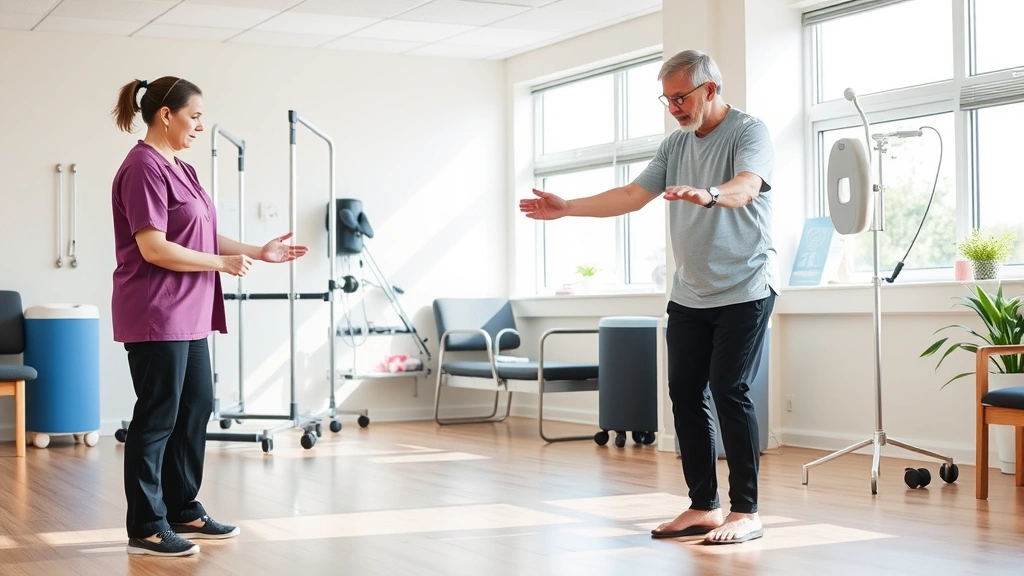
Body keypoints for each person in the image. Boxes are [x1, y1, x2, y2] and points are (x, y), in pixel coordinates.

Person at [520, 50, 776, 545]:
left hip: (746, 285)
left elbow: (748, 186)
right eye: (668, 98)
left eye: (682, 97)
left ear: (710, 89)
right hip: (690, 293)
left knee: (729, 389)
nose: (674, 107)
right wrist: (567, 207)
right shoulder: (674, 145)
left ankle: (746, 511)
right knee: (684, 391)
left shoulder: (749, 131)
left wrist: (710, 195)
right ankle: (703, 505)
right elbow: (633, 195)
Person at [110, 76, 309, 557]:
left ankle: (181, 507)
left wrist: (258, 251)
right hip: (156, 311)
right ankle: (146, 524)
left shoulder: (184, 168)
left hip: (190, 311)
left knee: (195, 408)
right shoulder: (142, 168)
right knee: (157, 417)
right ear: (166, 115)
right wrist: (221, 265)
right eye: (194, 116)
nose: (200, 125)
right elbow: (154, 247)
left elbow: (204, 235)